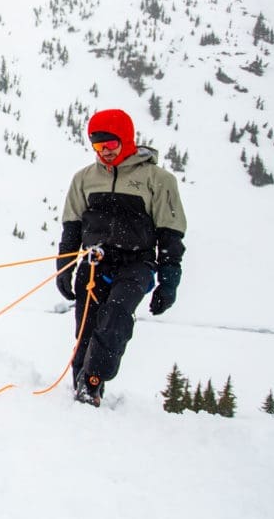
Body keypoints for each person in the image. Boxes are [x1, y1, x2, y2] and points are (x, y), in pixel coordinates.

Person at [56, 108, 186, 407]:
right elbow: (72, 227)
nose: (105, 153)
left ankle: (92, 383)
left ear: (126, 140)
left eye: (111, 145)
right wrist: (64, 268)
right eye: (98, 147)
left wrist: (168, 283)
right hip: (93, 262)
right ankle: (81, 386)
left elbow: (170, 235)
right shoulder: (84, 179)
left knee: (115, 317)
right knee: (86, 328)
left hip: (136, 263)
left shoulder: (158, 179)